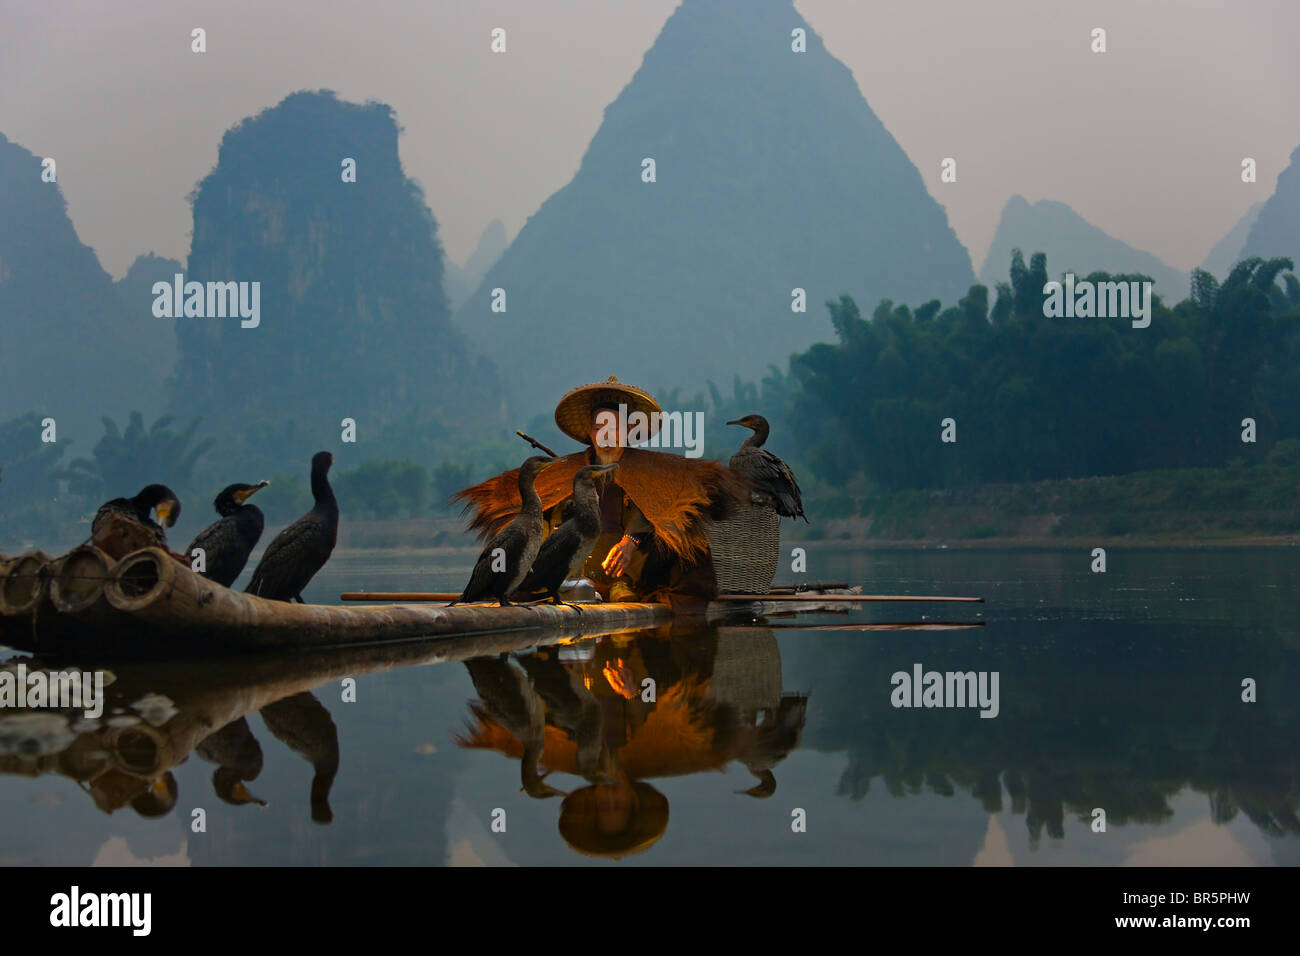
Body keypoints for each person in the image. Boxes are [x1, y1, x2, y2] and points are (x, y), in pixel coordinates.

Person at [456, 376, 745, 601]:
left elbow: (656, 507)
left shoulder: (651, 472)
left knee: (673, 546)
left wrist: (630, 541)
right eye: (600, 427)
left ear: (629, 431)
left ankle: (621, 585)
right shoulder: (569, 471)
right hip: (576, 559)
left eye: (615, 427)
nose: (607, 435)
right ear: (591, 432)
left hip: (633, 563)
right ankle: (557, 586)